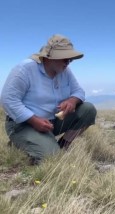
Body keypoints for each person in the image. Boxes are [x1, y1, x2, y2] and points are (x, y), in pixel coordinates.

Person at [0, 34, 97, 165]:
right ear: (50, 57)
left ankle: (63, 147)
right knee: (52, 159)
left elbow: (79, 91)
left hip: (51, 122)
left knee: (88, 110)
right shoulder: (25, 69)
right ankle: (20, 143)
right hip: (22, 124)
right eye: (65, 58)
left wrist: (72, 100)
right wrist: (34, 120)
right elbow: (8, 99)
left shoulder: (65, 71)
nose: (68, 62)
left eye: (70, 59)